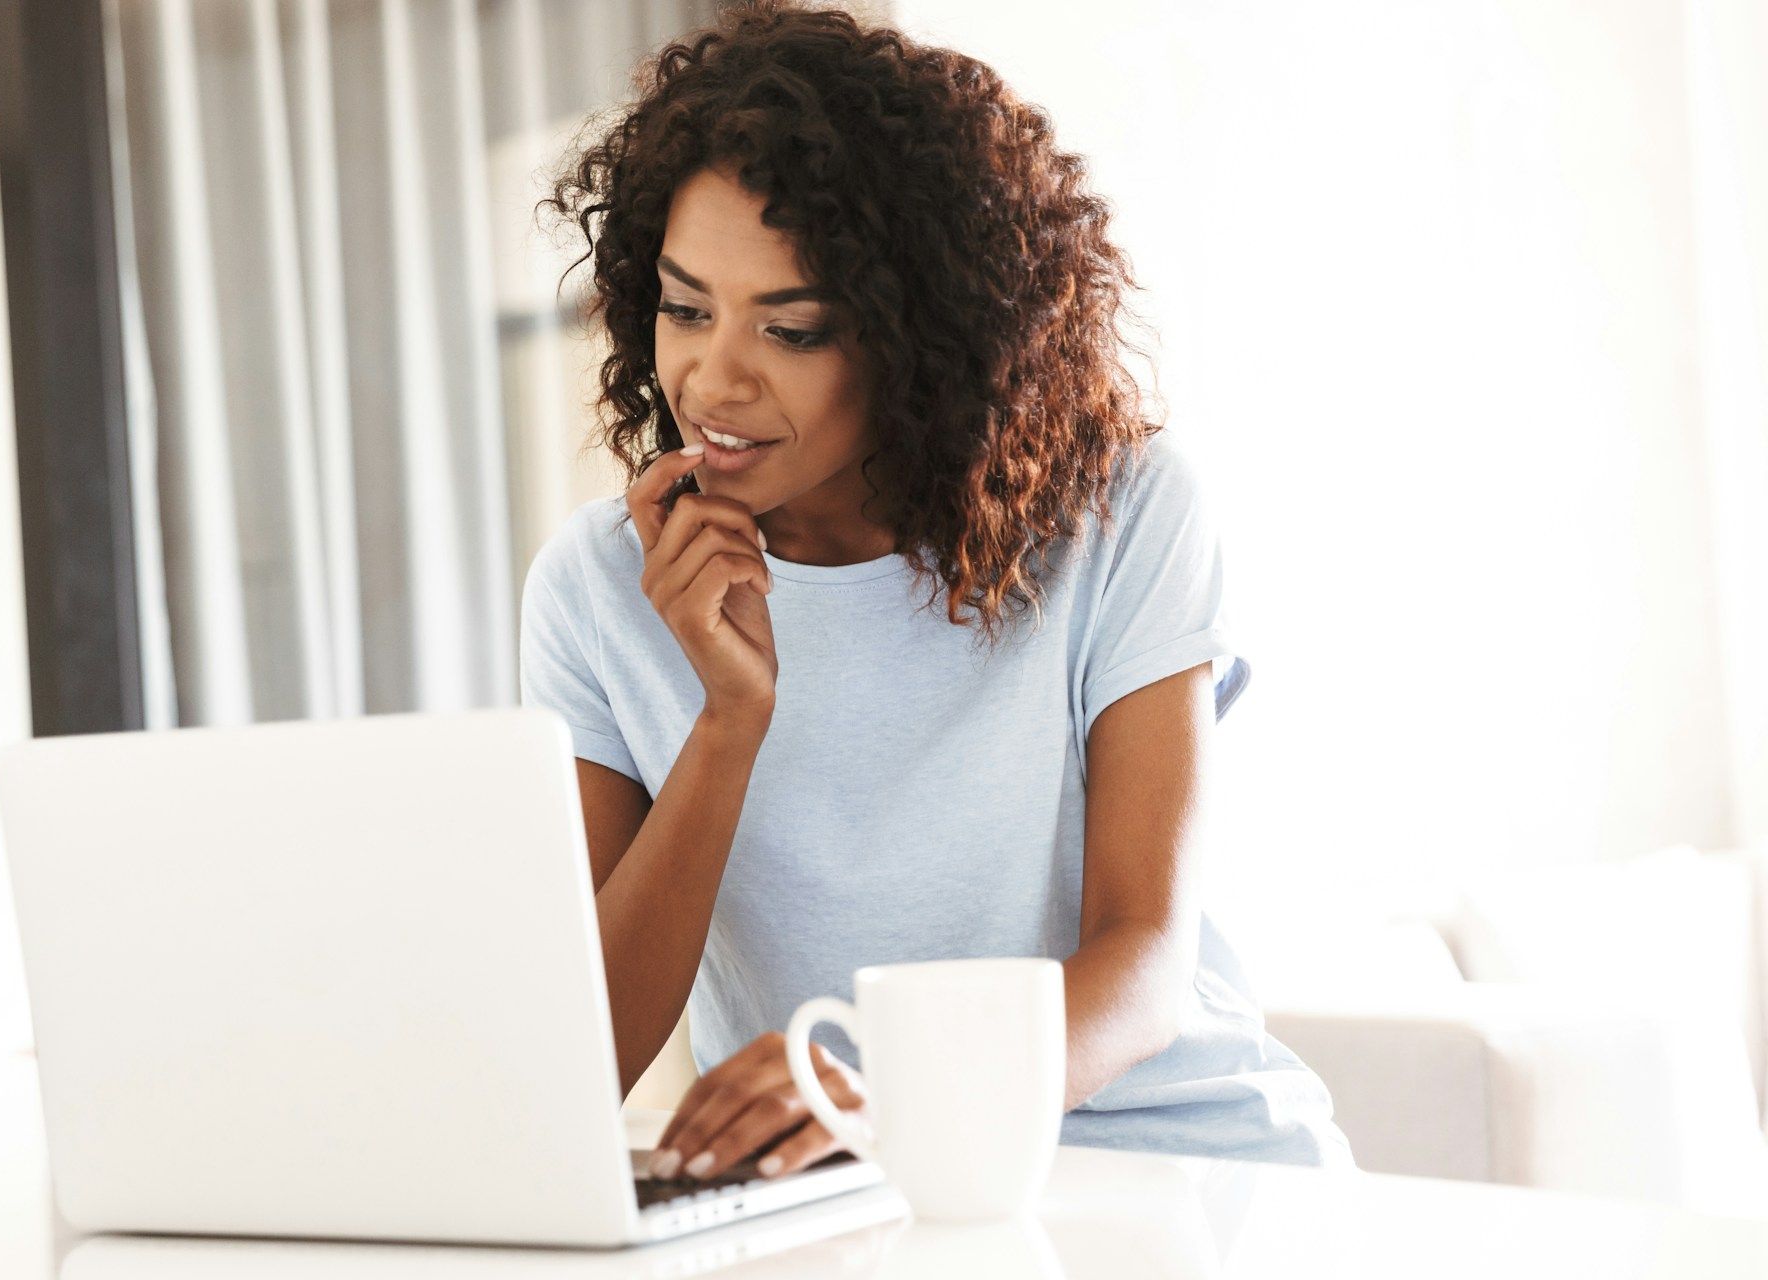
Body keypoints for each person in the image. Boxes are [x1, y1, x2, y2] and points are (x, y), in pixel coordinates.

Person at [524, 0, 1353, 1181]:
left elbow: (1145, 957)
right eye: (685, 307)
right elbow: (579, 1053)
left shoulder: (1120, 517)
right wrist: (726, 724)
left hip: (1172, 1165)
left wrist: (911, 1092)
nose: (712, 378)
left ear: (916, 339)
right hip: (846, 1200)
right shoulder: (603, 587)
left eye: (792, 328)